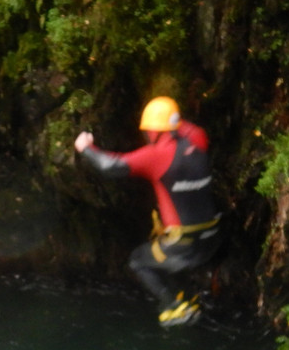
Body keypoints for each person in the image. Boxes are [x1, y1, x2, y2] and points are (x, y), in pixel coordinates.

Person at [75, 96, 222, 326]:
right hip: (212, 238)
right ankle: (187, 298)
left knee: (139, 262)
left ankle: (176, 307)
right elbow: (181, 124)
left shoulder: (157, 155)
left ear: (153, 131)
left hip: (183, 243)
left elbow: (110, 166)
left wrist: (86, 147)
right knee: (159, 252)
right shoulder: (198, 139)